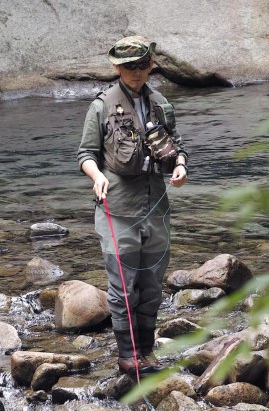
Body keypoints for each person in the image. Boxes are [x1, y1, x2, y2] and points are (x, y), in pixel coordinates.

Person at [78, 35, 188, 377]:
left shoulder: (160, 104)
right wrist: (96, 176)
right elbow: (85, 154)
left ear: (151, 65)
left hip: (156, 203)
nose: (135, 73)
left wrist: (181, 166)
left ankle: (146, 351)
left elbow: (177, 144)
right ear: (116, 68)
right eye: (128, 67)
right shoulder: (100, 106)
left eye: (141, 65)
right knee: (123, 287)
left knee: (152, 283)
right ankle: (128, 356)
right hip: (118, 207)